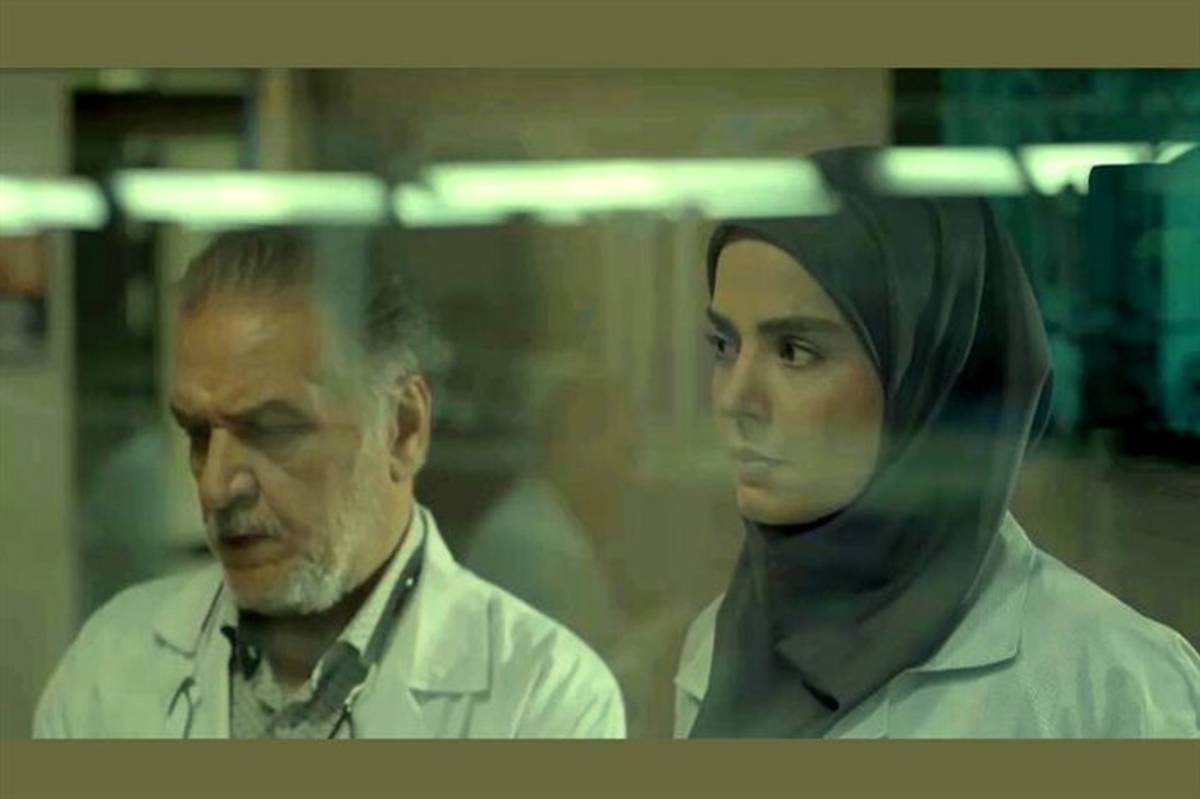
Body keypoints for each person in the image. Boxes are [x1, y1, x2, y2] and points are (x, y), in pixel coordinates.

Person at [675, 147, 1200, 738]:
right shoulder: (716, 650)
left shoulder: (1112, 688)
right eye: (725, 346)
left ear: (927, 381)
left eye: (794, 351)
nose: (734, 398)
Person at [34, 226, 625, 738]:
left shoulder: (543, 702)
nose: (215, 486)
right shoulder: (107, 671)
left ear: (402, 428)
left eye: (270, 430)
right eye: (197, 434)